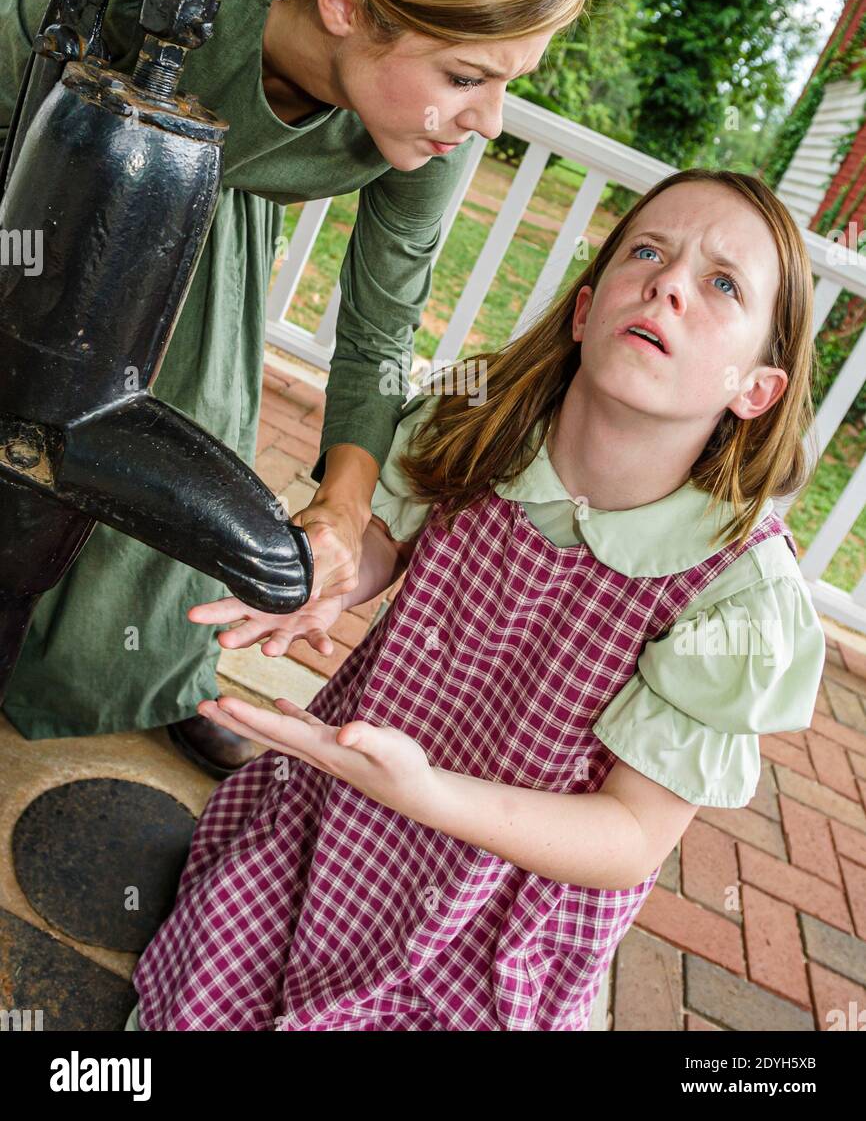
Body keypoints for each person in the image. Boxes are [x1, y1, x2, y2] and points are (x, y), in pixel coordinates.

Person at [122, 167, 826, 1031]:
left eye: (723, 284)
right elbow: (388, 536)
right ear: (586, 308)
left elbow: (632, 838)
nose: (669, 284)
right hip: (337, 829)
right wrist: (330, 578)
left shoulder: (738, 594)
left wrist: (424, 794)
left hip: (492, 923)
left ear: (757, 390)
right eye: (648, 250)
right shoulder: (480, 406)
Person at [0, 0, 586, 775]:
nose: (488, 120)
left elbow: (381, 320)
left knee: (188, 410)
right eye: (467, 74)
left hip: (198, 178)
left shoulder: (436, 120)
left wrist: (340, 511)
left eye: (507, 82)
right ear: (345, 3)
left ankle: (138, 674)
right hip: (29, 110)